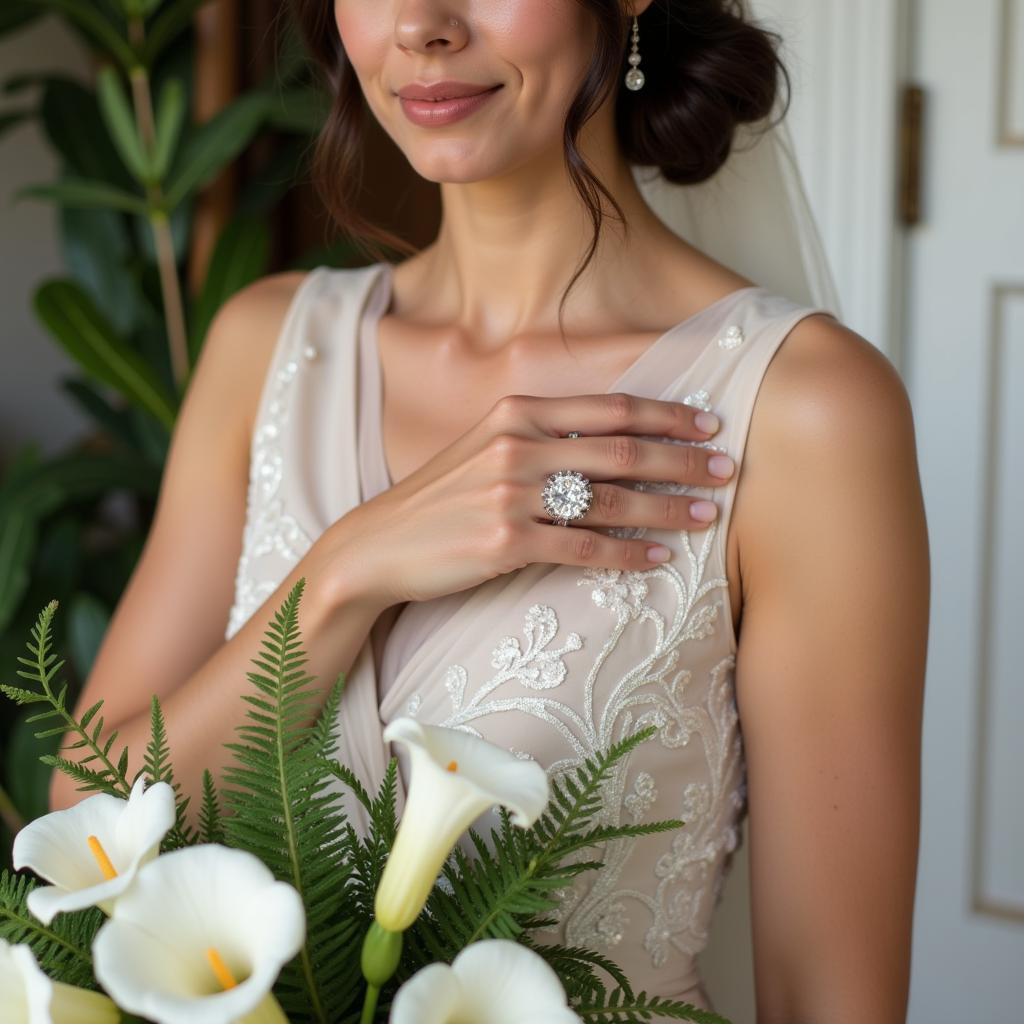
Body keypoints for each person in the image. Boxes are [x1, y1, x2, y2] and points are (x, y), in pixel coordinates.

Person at [51, 1, 929, 1019]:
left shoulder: (802, 409)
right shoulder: (267, 345)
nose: (421, 24)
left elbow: (830, 997)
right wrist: (344, 574)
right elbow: (87, 812)